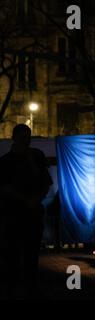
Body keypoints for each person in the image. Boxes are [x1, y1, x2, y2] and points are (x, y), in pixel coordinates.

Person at [0, 124, 53, 298]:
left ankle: (28, 286)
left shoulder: (35, 157)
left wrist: (35, 199)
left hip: (29, 212)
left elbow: (46, 182)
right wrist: (28, 199)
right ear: (15, 138)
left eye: (27, 137)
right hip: (15, 213)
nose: (26, 141)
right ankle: (14, 286)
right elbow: (4, 187)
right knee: (13, 253)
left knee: (31, 253)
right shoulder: (7, 162)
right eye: (24, 137)